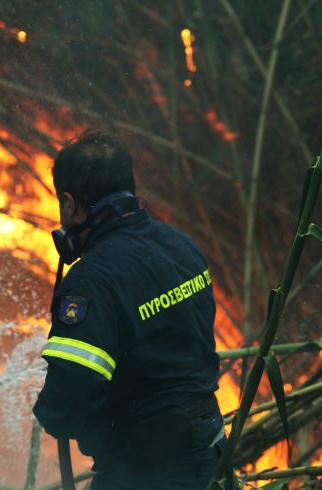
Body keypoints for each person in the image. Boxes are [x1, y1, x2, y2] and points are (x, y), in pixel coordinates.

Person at [33, 132, 230, 489]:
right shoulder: (180, 245)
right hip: (211, 451)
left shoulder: (90, 281)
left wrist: (51, 411)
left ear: (69, 204)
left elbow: (73, 396)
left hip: (147, 468)